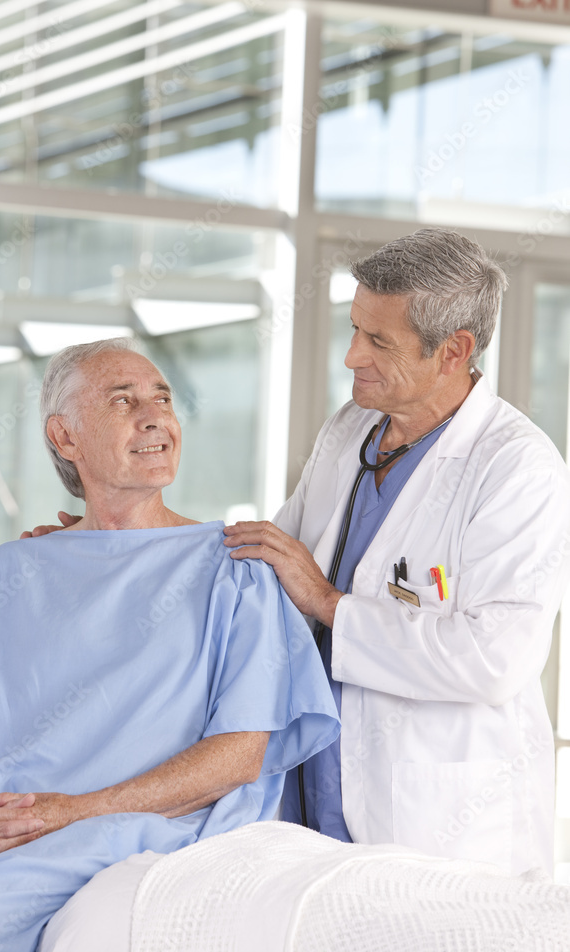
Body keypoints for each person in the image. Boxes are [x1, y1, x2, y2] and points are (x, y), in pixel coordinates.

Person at [0, 338, 339, 952]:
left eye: (163, 398)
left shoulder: (237, 568)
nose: (155, 416)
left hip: (139, 829)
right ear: (65, 437)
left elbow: (240, 756)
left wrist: (69, 812)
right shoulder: (2, 574)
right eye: (123, 401)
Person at [223, 227, 570, 875]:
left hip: (439, 821)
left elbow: (493, 661)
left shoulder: (517, 469)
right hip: (312, 792)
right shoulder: (350, 427)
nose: (350, 356)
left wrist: (329, 604)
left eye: (378, 340)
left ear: (453, 350)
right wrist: (113, 538)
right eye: (355, 328)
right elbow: (269, 559)